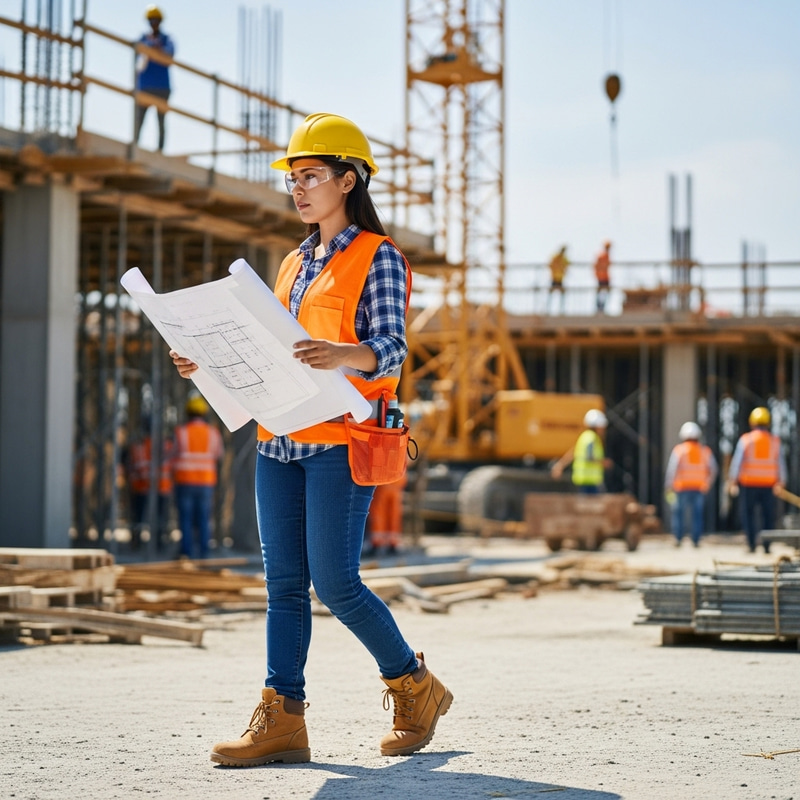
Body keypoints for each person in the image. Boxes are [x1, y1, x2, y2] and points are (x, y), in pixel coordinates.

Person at [170, 112, 452, 766]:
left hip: (342, 442)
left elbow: (390, 352)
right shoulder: (293, 262)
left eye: (311, 176)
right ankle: (283, 719)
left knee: (336, 581)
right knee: (284, 586)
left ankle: (414, 685)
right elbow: (270, 352)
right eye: (293, 178)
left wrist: (338, 352)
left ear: (348, 180)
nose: (298, 188)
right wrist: (207, 363)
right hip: (280, 443)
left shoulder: (378, 258)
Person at [725, 406, 786, 553]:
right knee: (768, 516)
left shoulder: (746, 440)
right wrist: (781, 482)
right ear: (768, 423)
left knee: (748, 515)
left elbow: (737, 462)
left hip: (748, 484)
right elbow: (781, 463)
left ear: (752, 423)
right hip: (769, 484)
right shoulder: (775, 441)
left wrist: (733, 480)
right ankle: (766, 546)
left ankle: (752, 545)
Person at [172, 393, 223, 559]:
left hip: (185, 480)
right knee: (203, 518)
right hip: (206, 482)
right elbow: (218, 454)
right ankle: (204, 553)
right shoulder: (213, 433)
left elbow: (172, 454)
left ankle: (186, 553)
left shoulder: (181, 432)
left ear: (188, 413)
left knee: (185, 519)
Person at [664, 421, 718, 547]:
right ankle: (696, 540)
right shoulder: (705, 451)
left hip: (681, 488)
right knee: (697, 515)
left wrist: (668, 485)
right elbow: (714, 469)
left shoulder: (679, 450)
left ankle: (678, 538)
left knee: (678, 514)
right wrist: (708, 484)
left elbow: (672, 469)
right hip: (699, 488)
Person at [124, 420, 174, 552]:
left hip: (142, 487)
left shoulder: (139, 446)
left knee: (139, 517)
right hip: (161, 487)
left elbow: (135, 466)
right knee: (159, 517)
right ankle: (158, 542)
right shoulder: (167, 445)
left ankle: (136, 542)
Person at [133, 5, 175, 152]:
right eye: (151, 20)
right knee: (139, 120)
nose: (154, 23)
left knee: (161, 121)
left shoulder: (166, 40)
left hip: (162, 87)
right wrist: (151, 46)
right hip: (145, 86)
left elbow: (169, 53)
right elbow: (137, 56)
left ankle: (160, 150)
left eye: (156, 20)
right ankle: (135, 146)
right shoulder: (143, 39)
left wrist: (156, 49)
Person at [550, 408, 611, 493]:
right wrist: (603, 462)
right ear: (596, 426)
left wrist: (560, 465)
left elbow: (574, 452)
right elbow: (589, 457)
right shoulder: (592, 438)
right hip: (590, 481)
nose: (603, 429)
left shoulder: (584, 437)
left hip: (582, 479)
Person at [364, 473, 407, 557]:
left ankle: (378, 543)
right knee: (393, 512)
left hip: (384, 478)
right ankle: (392, 543)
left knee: (380, 512)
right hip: (397, 477)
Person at [547, 245, 569, 314]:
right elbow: (550, 265)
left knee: (562, 293)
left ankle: (561, 310)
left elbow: (567, 264)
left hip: (560, 279)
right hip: (554, 278)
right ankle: (548, 310)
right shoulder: (556, 257)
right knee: (551, 294)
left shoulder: (564, 258)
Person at [594, 240, 611, 314]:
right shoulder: (602, 256)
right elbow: (596, 266)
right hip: (601, 278)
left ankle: (602, 307)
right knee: (600, 293)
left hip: (605, 277)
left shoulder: (606, 256)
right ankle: (599, 307)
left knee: (605, 292)